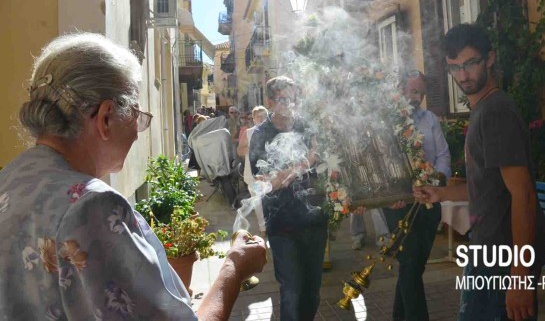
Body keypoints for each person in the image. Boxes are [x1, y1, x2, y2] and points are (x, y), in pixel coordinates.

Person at [0, 33, 267, 320]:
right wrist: (234, 267)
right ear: (105, 118)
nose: (138, 133)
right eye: (136, 115)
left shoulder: (10, 177)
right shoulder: (91, 206)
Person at [414, 24, 545, 321]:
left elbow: (524, 195)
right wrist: (440, 193)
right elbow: (487, 186)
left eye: (470, 63)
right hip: (487, 250)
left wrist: (520, 275)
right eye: (454, 67)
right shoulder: (483, 109)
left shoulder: (496, 112)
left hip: (504, 258)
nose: (463, 75)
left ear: (489, 58)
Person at [249, 76, 328, 321]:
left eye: (293, 98)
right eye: (283, 99)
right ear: (269, 103)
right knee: (292, 291)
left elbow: (324, 160)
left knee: (312, 292)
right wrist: (305, 162)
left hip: (315, 221)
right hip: (282, 224)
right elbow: (266, 183)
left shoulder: (307, 126)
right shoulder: (261, 134)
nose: (290, 104)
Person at [380, 71, 452, 321]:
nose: (417, 98)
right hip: (398, 203)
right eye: (412, 91)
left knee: (414, 267)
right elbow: (382, 163)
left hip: (429, 198)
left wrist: (438, 179)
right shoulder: (386, 121)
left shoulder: (429, 118)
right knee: (410, 262)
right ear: (399, 90)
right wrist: (393, 193)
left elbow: (443, 155)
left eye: (420, 93)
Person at [238, 105, 269, 239]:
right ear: (254, 119)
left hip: (269, 174)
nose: (261, 119)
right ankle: (263, 229)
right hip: (252, 174)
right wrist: (253, 149)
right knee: (258, 202)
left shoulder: (272, 131)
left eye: (264, 116)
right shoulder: (249, 133)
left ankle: (272, 226)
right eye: (258, 117)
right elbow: (240, 151)